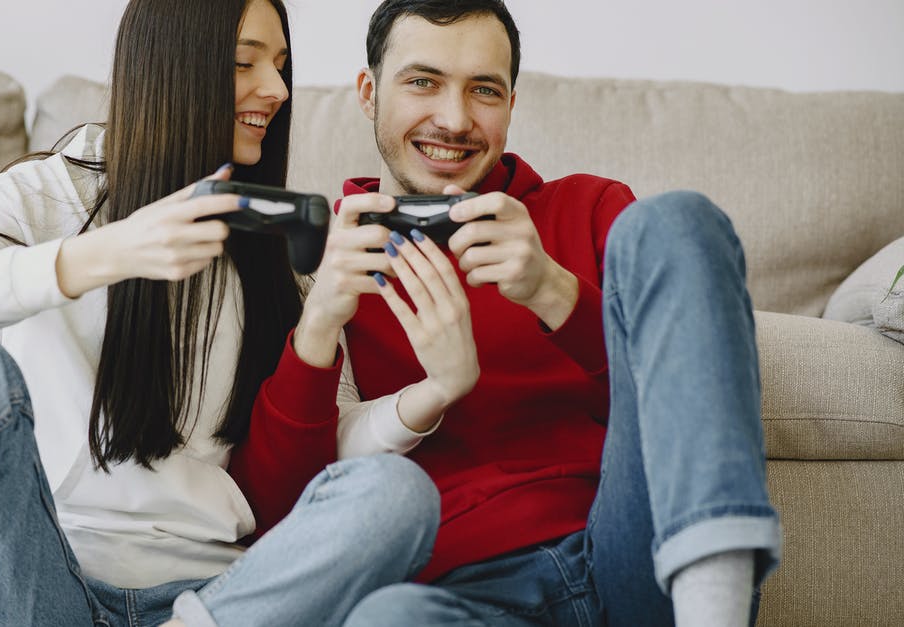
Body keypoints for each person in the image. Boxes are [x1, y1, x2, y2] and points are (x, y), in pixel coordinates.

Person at [0, 1, 439, 626]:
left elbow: (327, 436)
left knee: (397, 494)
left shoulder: (277, 245)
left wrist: (432, 394)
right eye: (245, 63)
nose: (277, 89)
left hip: (207, 600)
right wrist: (106, 252)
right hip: (41, 581)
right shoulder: (47, 196)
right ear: (171, 67)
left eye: (280, 64)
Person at [237, 1, 783, 625]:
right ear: (368, 93)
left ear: (512, 103)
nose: (454, 119)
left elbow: (683, 403)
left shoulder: (591, 208)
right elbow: (278, 523)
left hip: (631, 555)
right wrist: (318, 326)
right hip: (453, 596)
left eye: (484, 90)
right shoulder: (319, 261)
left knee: (678, 219)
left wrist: (554, 291)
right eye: (423, 82)